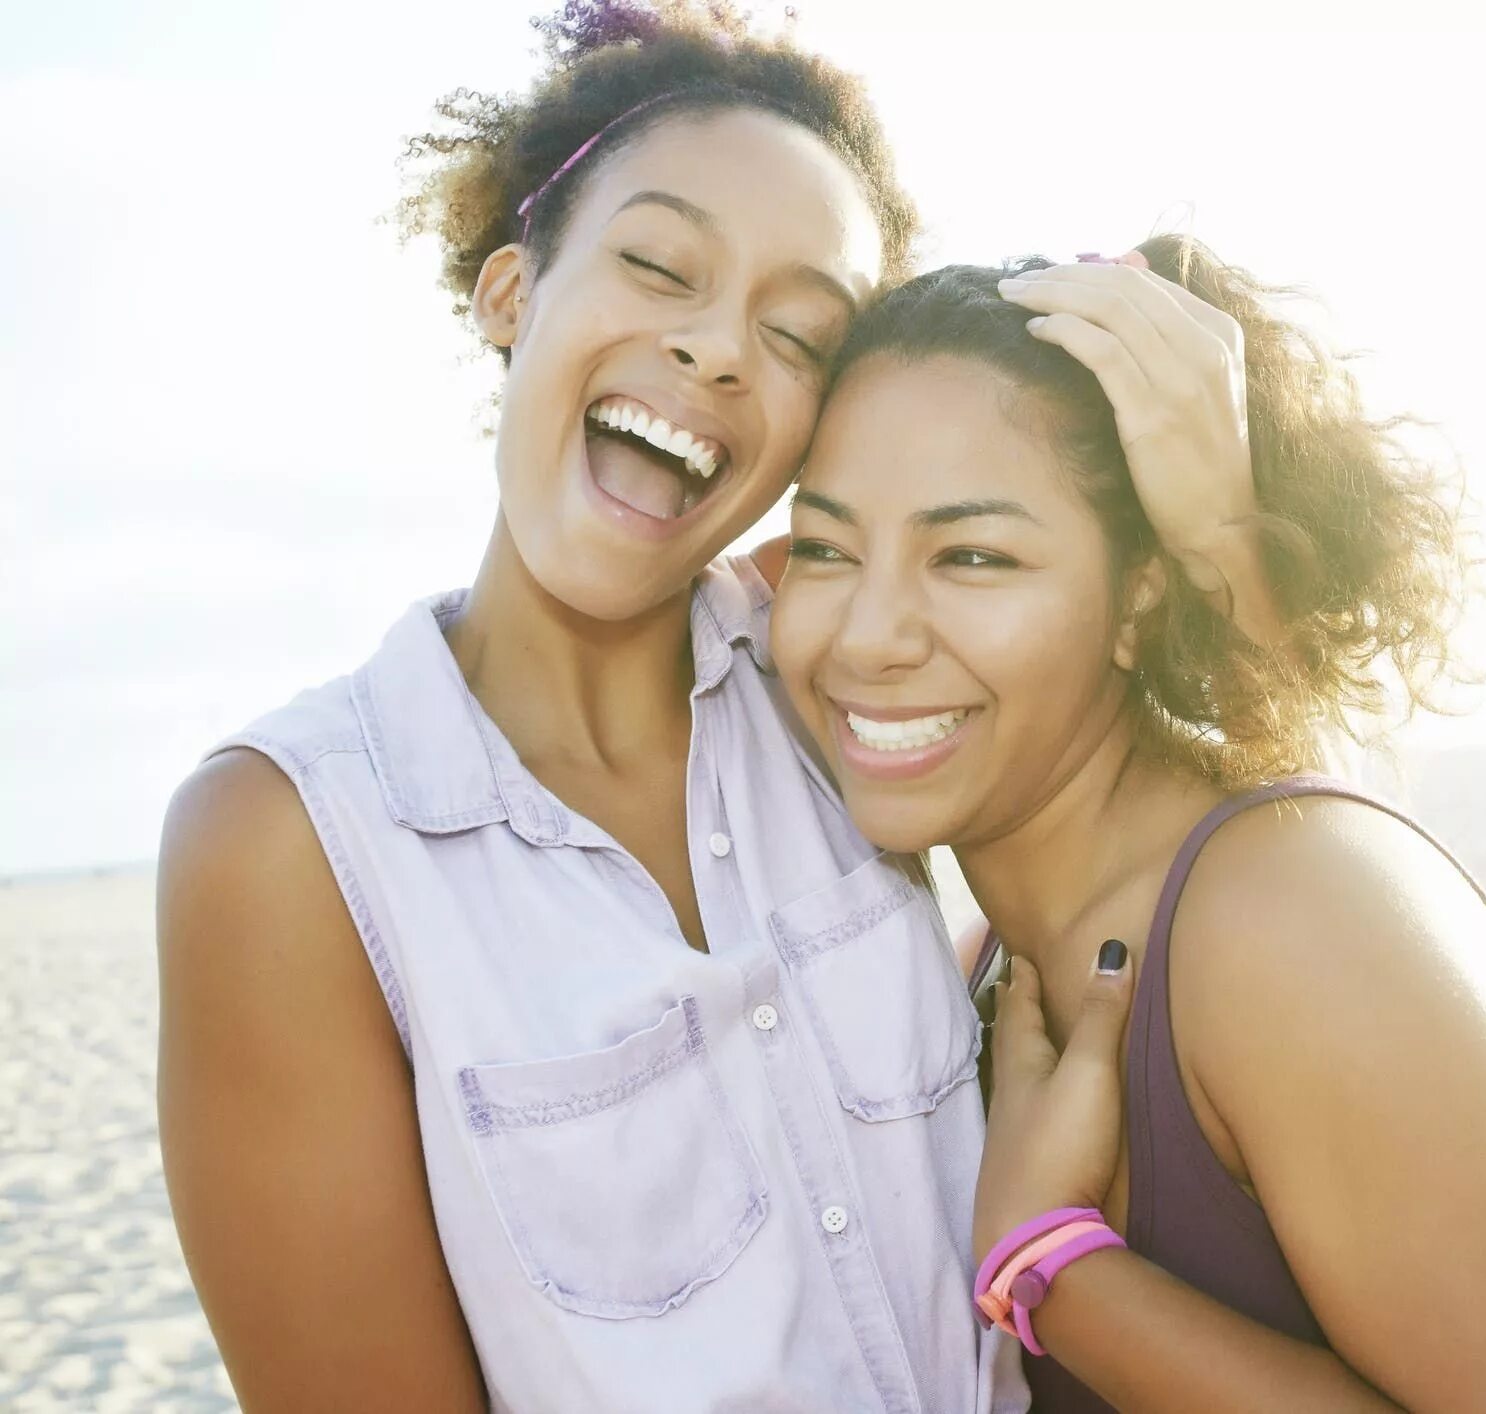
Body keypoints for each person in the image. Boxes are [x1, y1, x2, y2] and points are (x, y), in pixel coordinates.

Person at [152, 6, 1268, 1410]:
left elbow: (1262, 899)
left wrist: (1220, 535)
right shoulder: (293, 843)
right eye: (657, 264)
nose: (719, 351)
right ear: (511, 295)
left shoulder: (844, 685)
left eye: (800, 333)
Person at [770, 236, 1486, 1413]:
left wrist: (1050, 1267)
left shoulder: (1283, 918)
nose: (868, 636)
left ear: (1138, 601)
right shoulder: (987, 980)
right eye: (823, 547)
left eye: (972, 555)